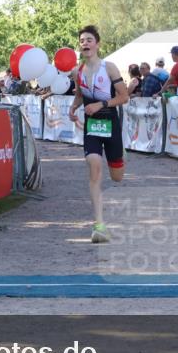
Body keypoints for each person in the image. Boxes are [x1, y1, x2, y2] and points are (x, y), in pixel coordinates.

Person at [69, 25, 130, 243]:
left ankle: (120, 155)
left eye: (89, 40)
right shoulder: (78, 71)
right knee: (94, 166)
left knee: (117, 177)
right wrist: (73, 108)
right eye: (82, 40)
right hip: (92, 127)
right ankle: (99, 226)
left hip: (110, 123)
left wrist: (101, 104)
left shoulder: (109, 68)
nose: (84, 43)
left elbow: (124, 97)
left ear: (97, 44)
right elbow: (79, 94)